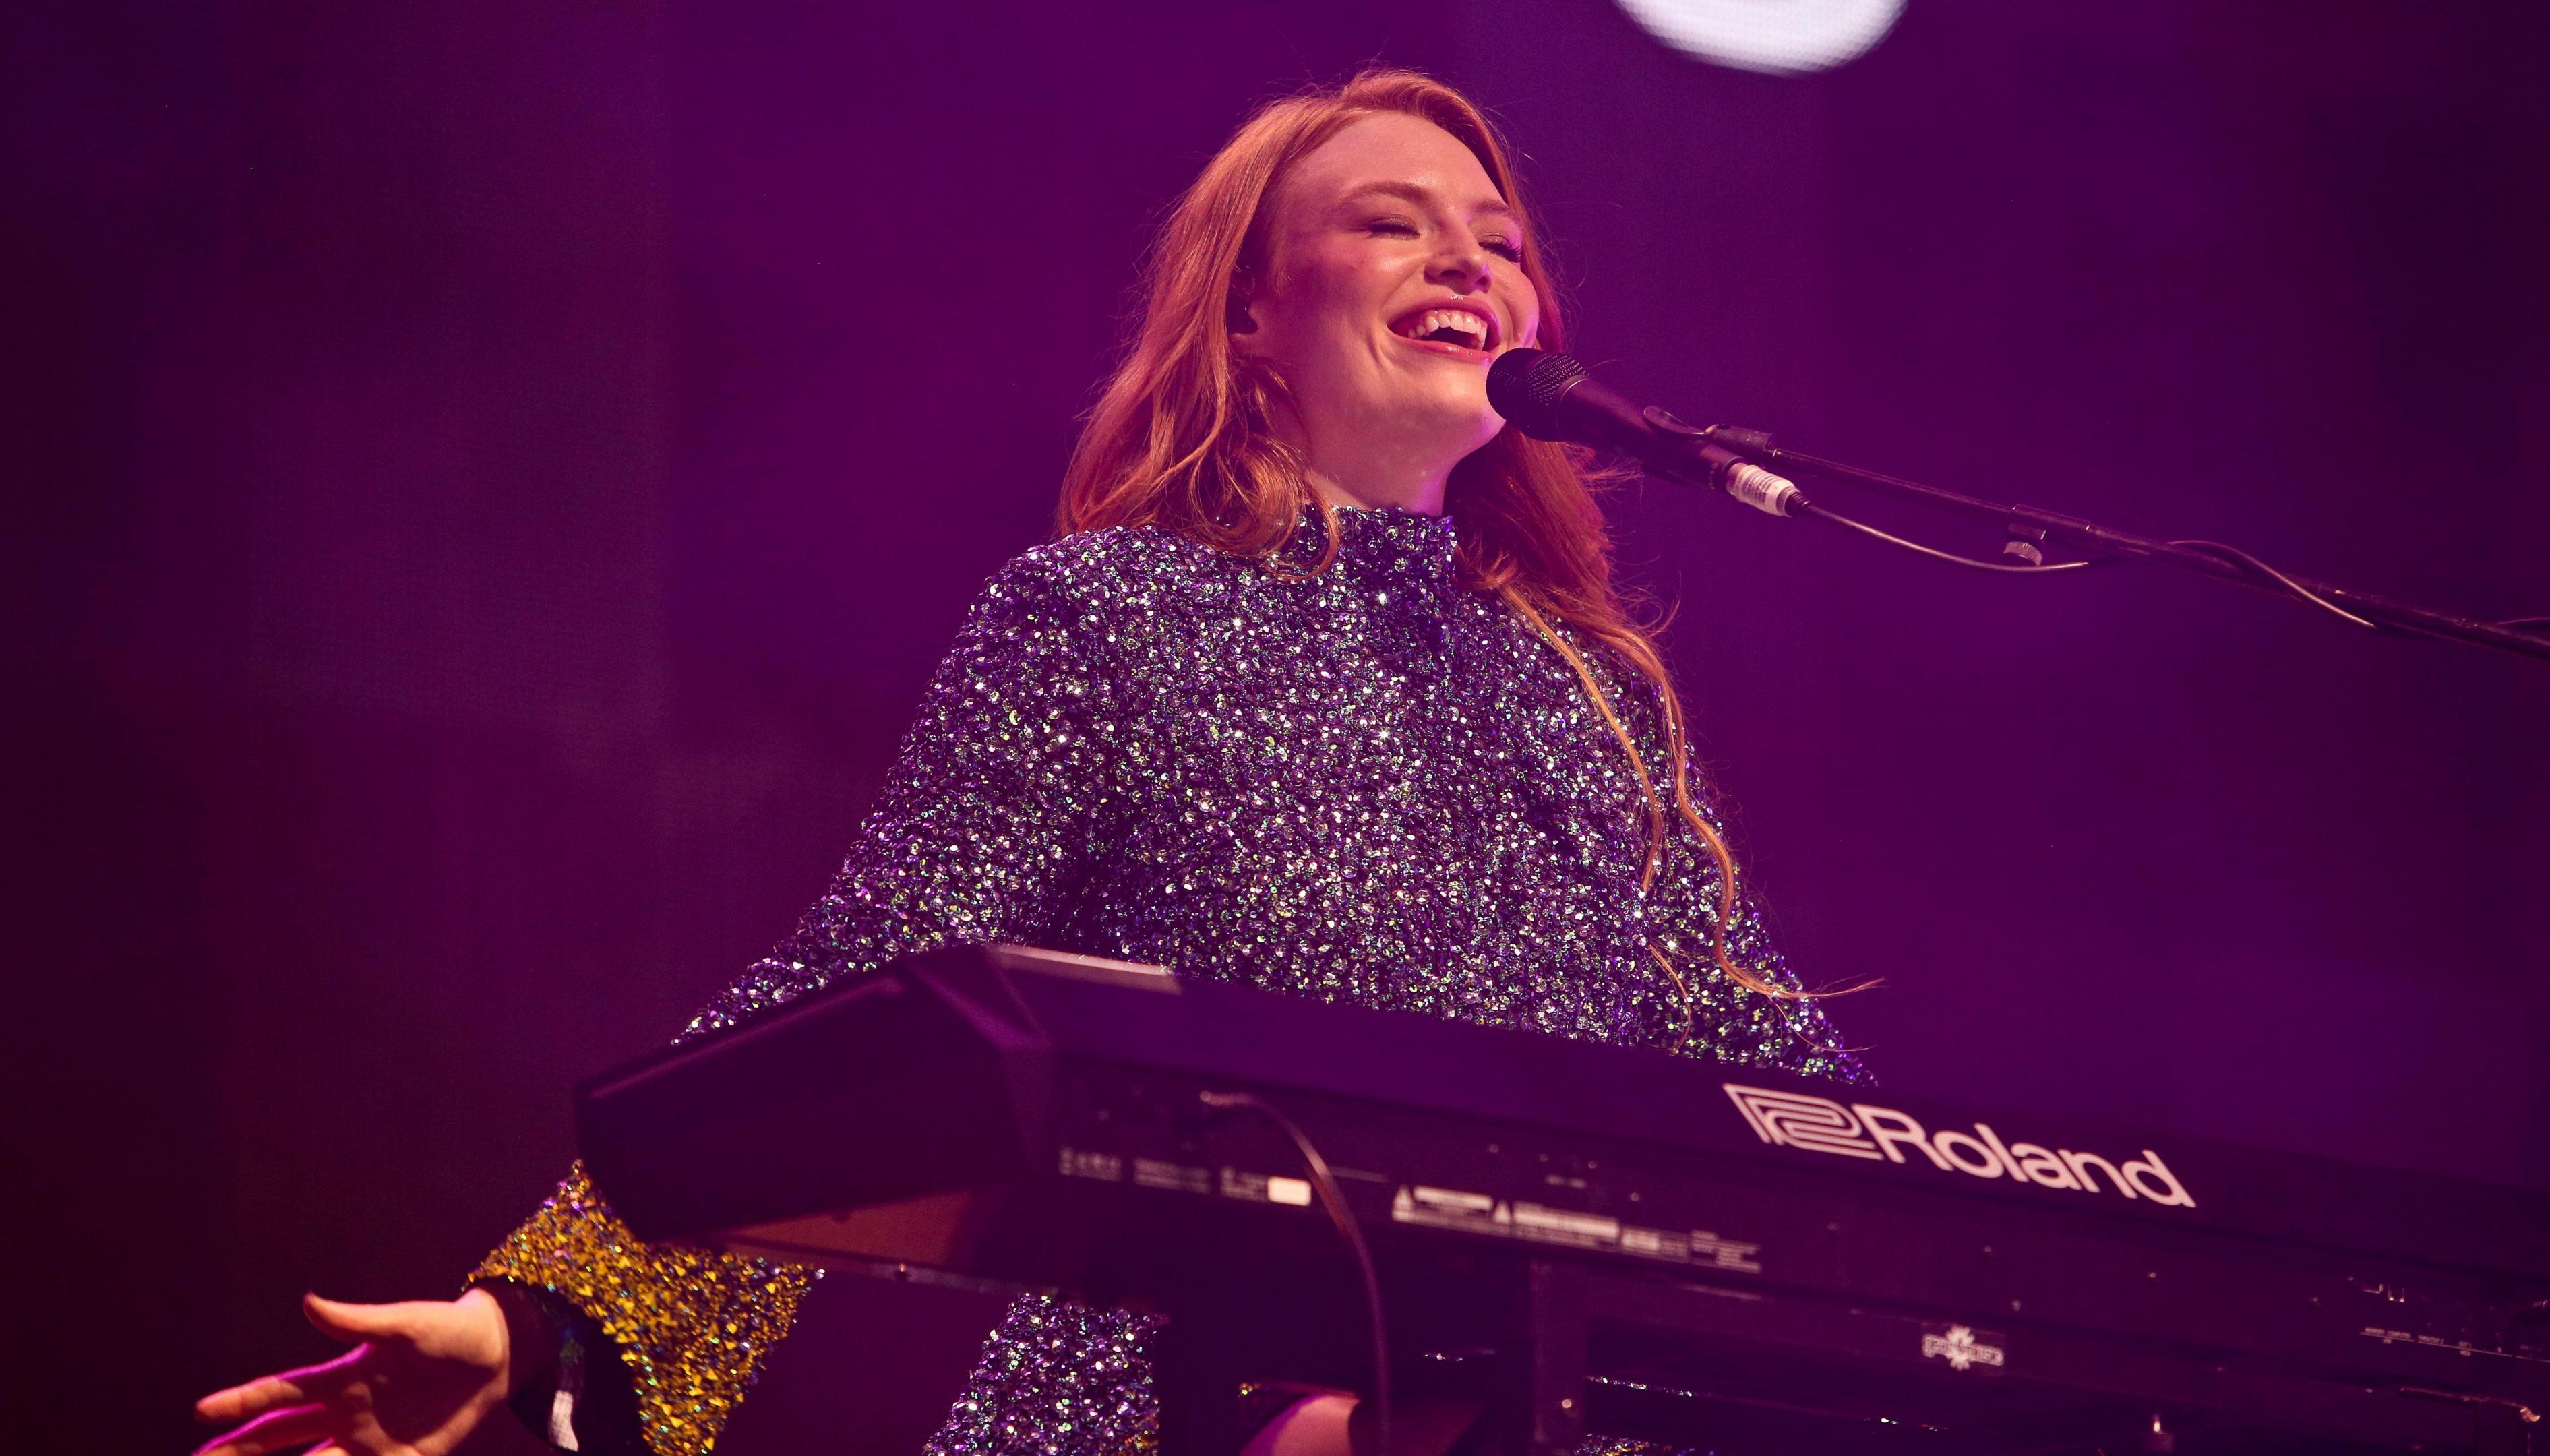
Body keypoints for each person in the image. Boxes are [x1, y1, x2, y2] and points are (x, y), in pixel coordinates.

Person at [193, 68, 1864, 1456]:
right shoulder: (1105, 616)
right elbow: (866, 998)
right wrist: (551, 1322)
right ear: (1257, 317)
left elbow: (1762, 1080)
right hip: (1166, 1411)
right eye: (1391, 222)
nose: (1473, 261)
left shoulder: (1593, 695)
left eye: (1501, 241)